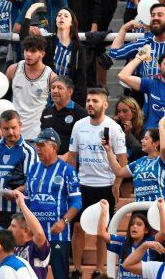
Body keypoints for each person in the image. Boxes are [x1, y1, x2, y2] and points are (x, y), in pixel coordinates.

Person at [66, 88, 128, 279]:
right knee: (77, 227)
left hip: (105, 185)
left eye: (95, 101)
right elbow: (72, 156)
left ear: (105, 104)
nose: (90, 104)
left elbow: (122, 160)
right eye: (88, 100)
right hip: (83, 184)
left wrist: (117, 184)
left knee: (102, 231)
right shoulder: (78, 125)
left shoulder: (114, 128)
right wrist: (71, 183)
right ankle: (76, 269)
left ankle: (99, 270)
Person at [0, 110, 37, 228]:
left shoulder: (28, 151)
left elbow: (32, 183)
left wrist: (15, 192)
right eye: (6, 128)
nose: (10, 132)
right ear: (0, 128)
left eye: (14, 127)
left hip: (16, 212)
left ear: (20, 126)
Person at [6, 36, 57, 140]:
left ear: (42, 54)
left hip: (36, 134)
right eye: (26, 50)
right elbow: (3, 98)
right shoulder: (13, 70)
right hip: (13, 133)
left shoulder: (51, 77)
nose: (28, 54)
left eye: (33, 51)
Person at [103, 123, 165, 202]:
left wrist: (161, 124)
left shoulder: (162, 159)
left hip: (158, 207)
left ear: (156, 143)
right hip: (139, 206)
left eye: (146, 139)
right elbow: (119, 172)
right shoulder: (140, 161)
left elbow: (163, 149)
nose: (142, 141)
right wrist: (109, 150)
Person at [40, 76, 88, 155]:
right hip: (48, 159)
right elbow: (43, 138)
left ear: (70, 91)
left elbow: (83, 144)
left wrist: (65, 158)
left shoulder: (80, 113)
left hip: (70, 162)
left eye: (60, 88)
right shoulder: (46, 112)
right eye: (53, 87)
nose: (55, 91)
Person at [9, 192, 50, 279]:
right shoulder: (10, 246)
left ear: (26, 230)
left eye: (13, 226)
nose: (9, 229)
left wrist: (22, 205)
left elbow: (38, 233)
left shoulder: (35, 246)